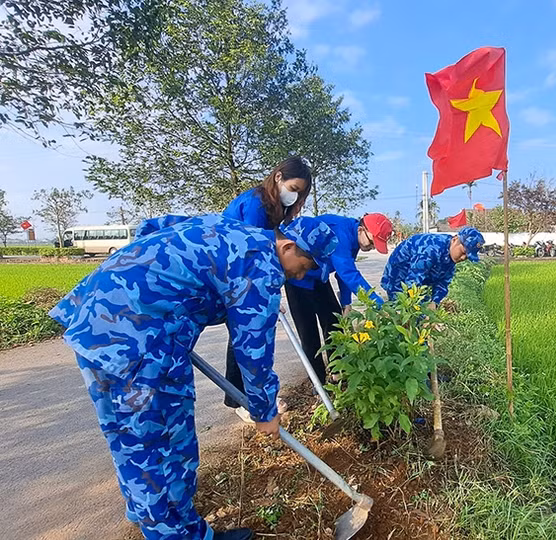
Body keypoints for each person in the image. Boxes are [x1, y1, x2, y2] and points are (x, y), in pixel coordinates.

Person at [49, 214, 337, 540]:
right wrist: (264, 411)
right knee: (164, 447)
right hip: (139, 346)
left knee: (130, 439)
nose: (306, 273)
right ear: (287, 246)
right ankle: (172, 531)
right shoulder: (261, 265)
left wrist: (151, 283)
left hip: (95, 324)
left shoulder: (232, 229)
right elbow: (253, 350)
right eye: (309, 263)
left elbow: (153, 227)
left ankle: (151, 514)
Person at [222, 156, 311, 421]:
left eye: (299, 195)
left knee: (247, 334)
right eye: (293, 189)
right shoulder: (255, 204)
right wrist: (265, 295)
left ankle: (250, 397)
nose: (293, 198)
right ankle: (242, 400)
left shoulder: (273, 207)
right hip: (231, 271)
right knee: (245, 335)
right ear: (278, 177)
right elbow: (253, 254)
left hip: (242, 274)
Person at [285, 213, 393, 385]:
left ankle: (337, 372)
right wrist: (380, 307)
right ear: (361, 229)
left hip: (319, 276)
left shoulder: (354, 237)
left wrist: (346, 303)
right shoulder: (341, 233)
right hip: (297, 277)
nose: (372, 247)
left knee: (333, 321)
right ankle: (318, 382)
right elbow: (349, 274)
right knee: (308, 332)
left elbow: (344, 271)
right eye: (372, 242)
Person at [381, 226, 485, 307]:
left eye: (467, 257)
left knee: (424, 313)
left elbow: (443, 282)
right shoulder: (431, 249)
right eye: (463, 252)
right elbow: (413, 282)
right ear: (455, 240)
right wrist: (423, 312)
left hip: (418, 282)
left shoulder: (450, 255)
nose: (463, 258)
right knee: (401, 313)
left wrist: (434, 302)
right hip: (399, 278)